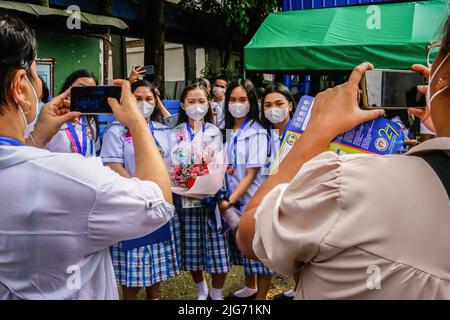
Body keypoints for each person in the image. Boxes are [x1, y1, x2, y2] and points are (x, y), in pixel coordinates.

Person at [237, 26, 450, 300]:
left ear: (443, 75)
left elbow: (249, 234)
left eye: (437, 53)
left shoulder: (346, 185)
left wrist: (317, 130)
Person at [0, 13, 174, 299]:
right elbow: (158, 204)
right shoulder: (75, 178)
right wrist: (137, 123)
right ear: (20, 87)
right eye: (35, 74)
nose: (38, 86)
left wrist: (37, 137)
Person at [100, 80, 180, 300]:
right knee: (132, 267)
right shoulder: (115, 131)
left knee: (156, 262)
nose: (143, 104)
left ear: (156, 102)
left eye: (149, 99)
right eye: (137, 99)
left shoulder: (164, 131)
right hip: (132, 204)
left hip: (160, 205)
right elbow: (113, 165)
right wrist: (141, 190)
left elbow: (174, 164)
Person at [169, 84, 230, 300]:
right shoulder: (175, 133)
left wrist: (212, 179)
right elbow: (172, 165)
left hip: (211, 199)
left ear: (208, 105)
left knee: (217, 249)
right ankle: (202, 289)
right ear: (183, 105)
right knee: (191, 248)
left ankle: (217, 293)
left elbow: (220, 165)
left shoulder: (215, 132)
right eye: (192, 102)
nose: (197, 106)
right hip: (185, 198)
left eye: (201, 101)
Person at [220, 79, 274, 300]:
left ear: (252, 102)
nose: (237, 104)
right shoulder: (228, 129)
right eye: (232, 99)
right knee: (244, 244)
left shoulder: (258, 132)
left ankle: (261, 297)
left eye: (243, 99)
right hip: (233, 194)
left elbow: (252, 173)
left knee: (258, 247)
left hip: (250, 197)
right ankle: (250, 285)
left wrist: (230, 200)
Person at [259, 83, 299, 299]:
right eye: (267, 105)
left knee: (298, 247)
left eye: (278, 104)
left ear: (290, 105)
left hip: (296, 196)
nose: (273, 109)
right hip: (272, 197)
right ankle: (296, 287)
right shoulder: (264, 135)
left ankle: (301, 288)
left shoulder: (301, 133)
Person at [44, 70, 100, 157]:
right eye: (81, 88)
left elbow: (94, 150)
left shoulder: (90, 120)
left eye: (91, 91)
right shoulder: (51, 115)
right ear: (68, 88)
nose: (86, 94)